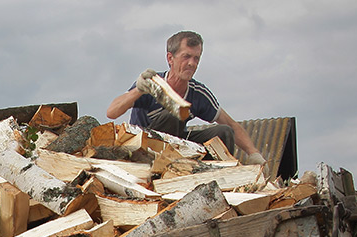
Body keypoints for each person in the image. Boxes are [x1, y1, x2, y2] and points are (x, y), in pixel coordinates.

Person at [106, 30, 264, 165]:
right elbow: (112, 112)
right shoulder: (153, 84)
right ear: (170, 58)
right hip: (145, 150)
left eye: (196, 58)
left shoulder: (198, 93)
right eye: (186, 56)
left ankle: (209, 176)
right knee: (173, 116)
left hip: (179, 147)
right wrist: (138, 90)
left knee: (224, 131)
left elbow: (230, 124)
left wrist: (254, 154)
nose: (192, 63)